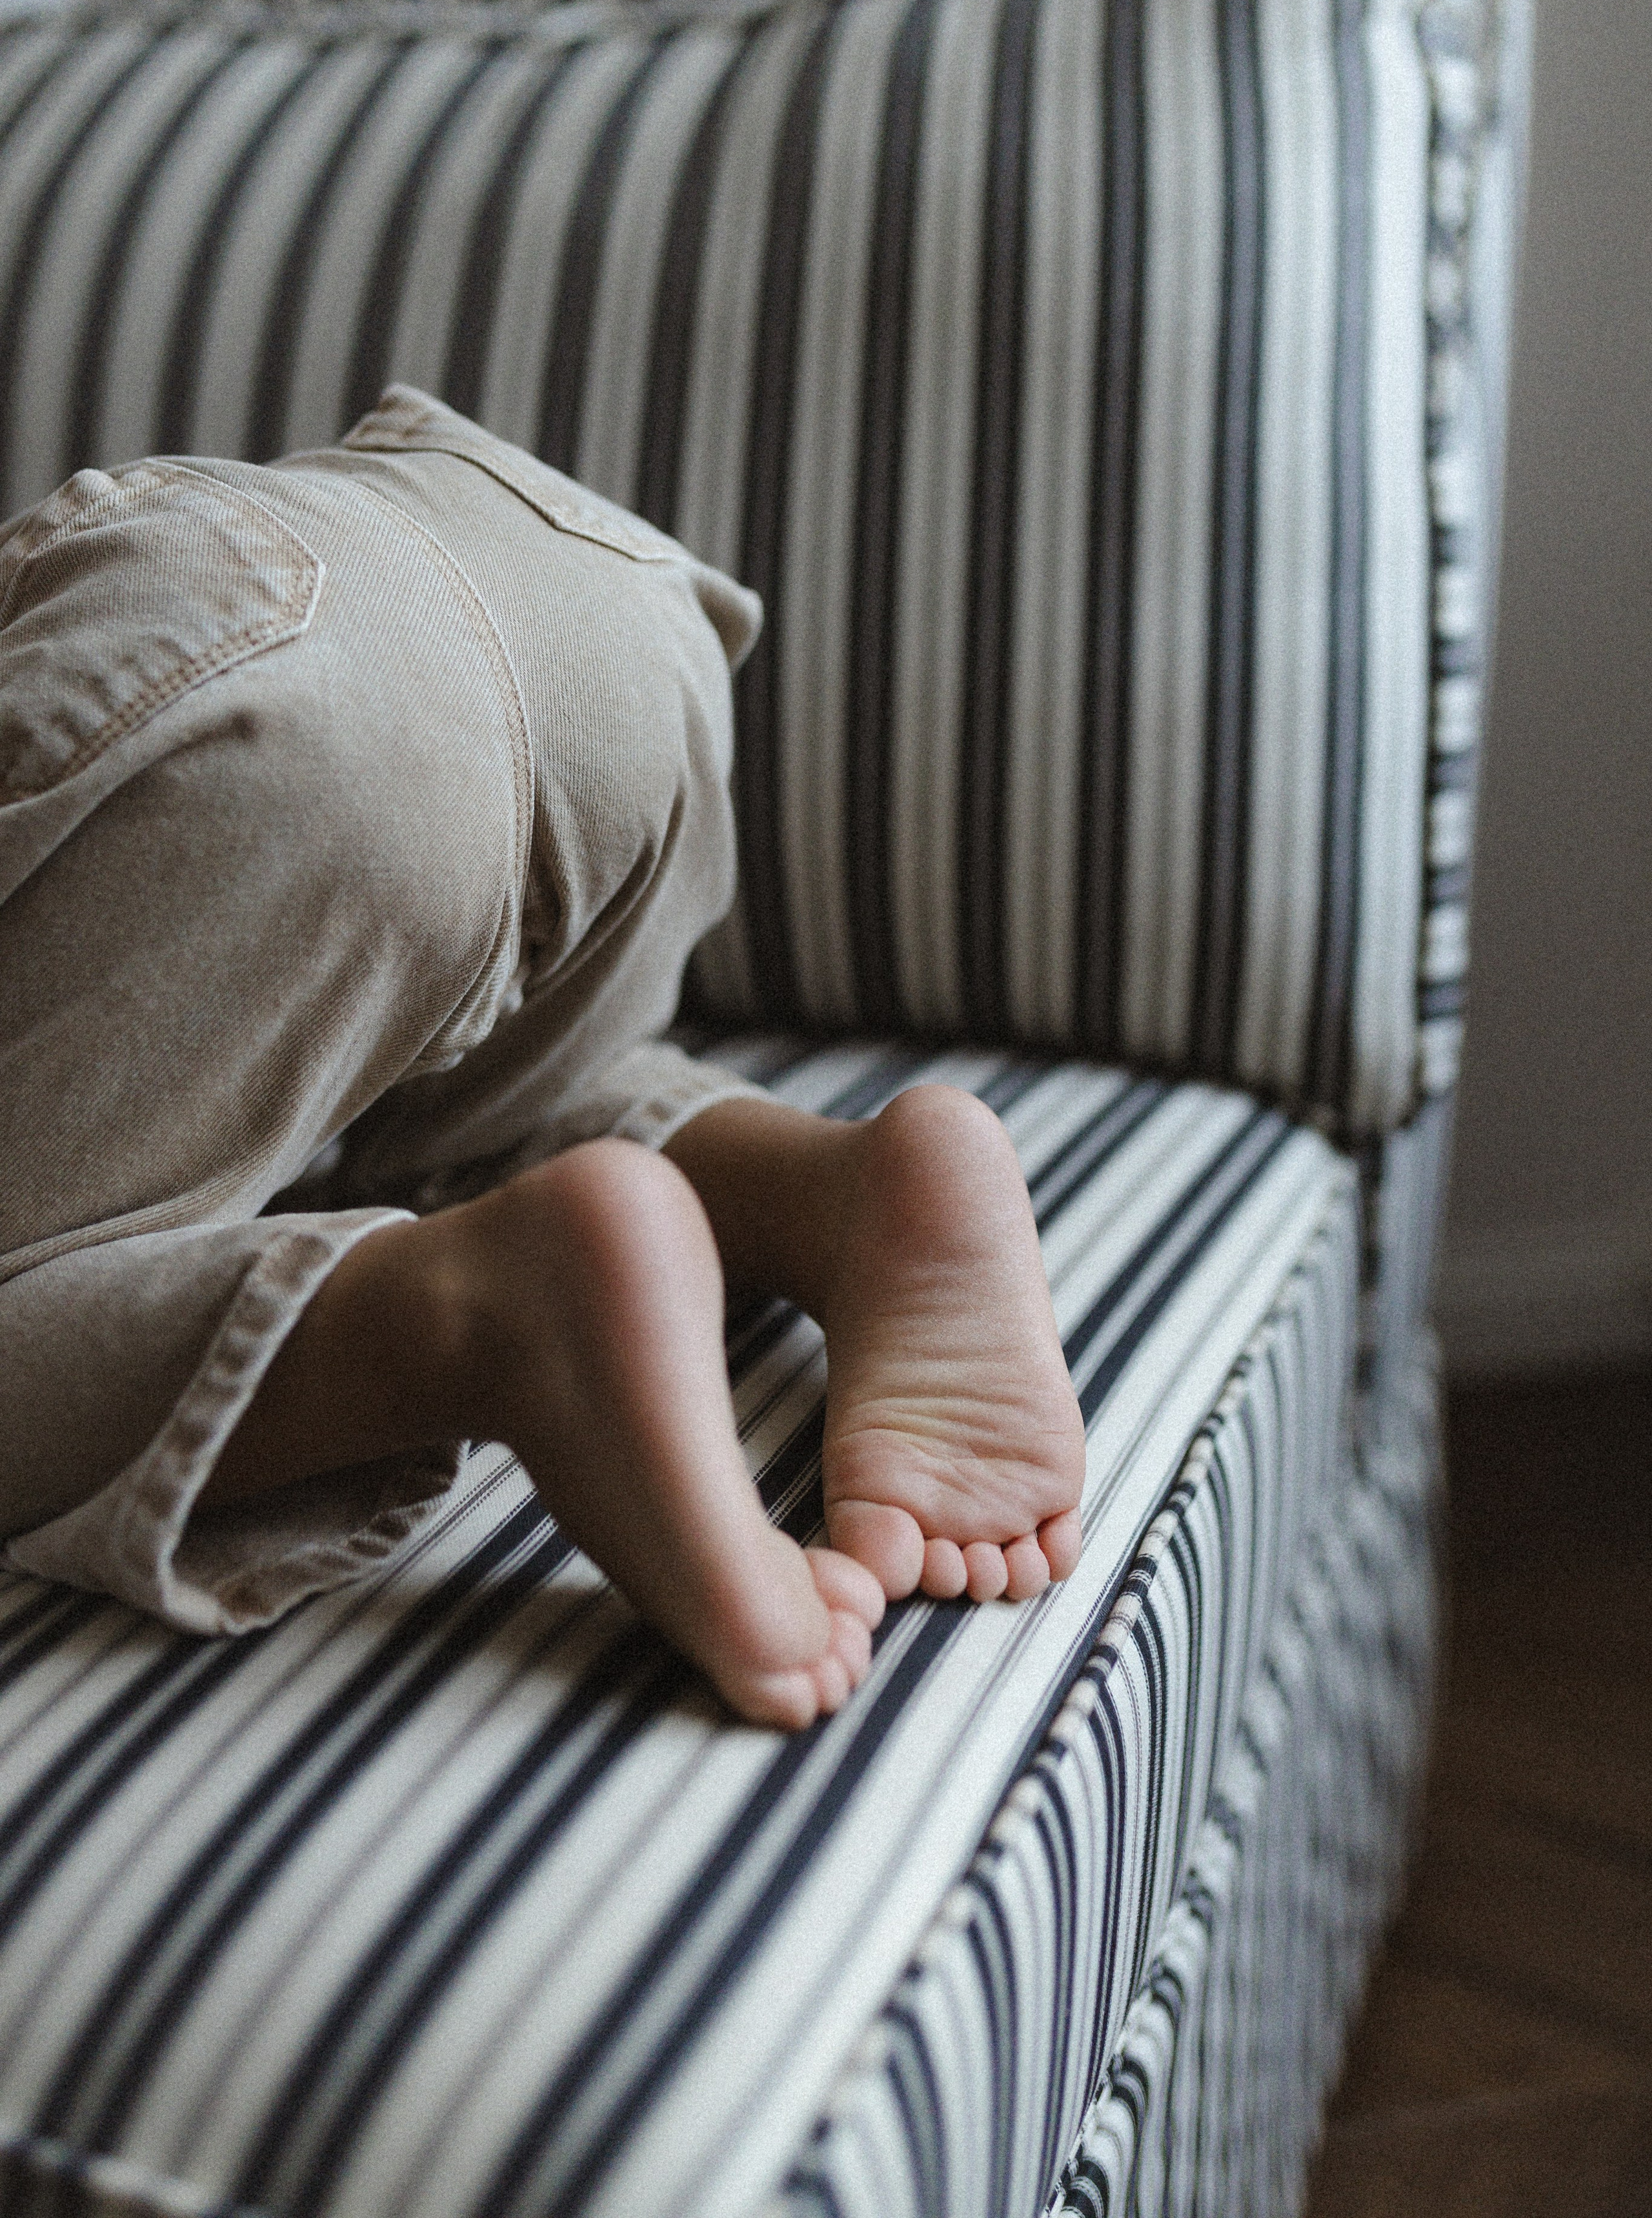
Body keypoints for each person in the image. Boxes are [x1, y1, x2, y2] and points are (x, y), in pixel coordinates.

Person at [0, 387, 1085, 1730]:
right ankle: (836, 1192)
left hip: (226, 697)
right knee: (521, 1095)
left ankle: (480, 1312)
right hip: (569, 589)